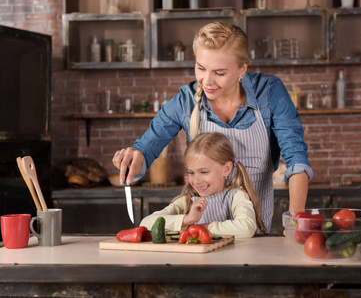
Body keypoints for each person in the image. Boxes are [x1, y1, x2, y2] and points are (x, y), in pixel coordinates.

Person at [112, 22, 312, 233]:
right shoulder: (186, 101)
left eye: (219, 72)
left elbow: (296, 158)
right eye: (200, 68)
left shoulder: (269, 92)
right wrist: (134, 158)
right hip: (199, 238)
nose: (206, 81)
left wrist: (294, 223)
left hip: (254, 237)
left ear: (242, 69)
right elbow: (147, 147)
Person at [140, 132, 266, 238]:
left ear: (226, 169)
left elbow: (246, 228)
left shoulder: (236, 196)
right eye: (191, 172)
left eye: (204, 172)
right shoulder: (188, 200)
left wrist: (204, 227)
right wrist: (187, 219)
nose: (196, 180)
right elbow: (146, 224)